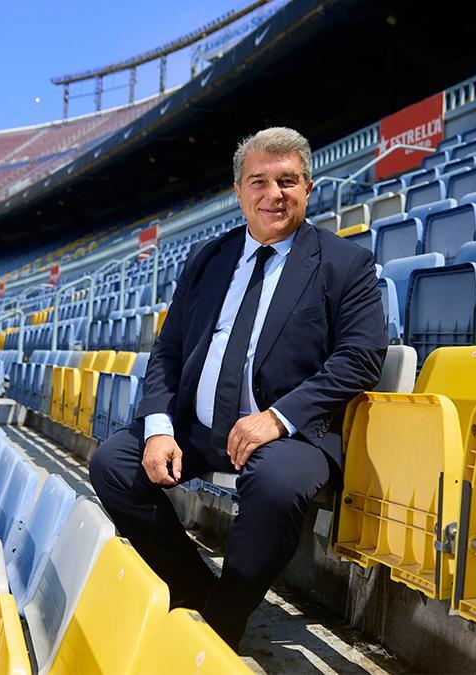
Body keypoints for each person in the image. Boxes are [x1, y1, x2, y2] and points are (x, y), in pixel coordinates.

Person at [88, 126, 387, 649]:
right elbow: (169, 352)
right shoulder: (208, 259)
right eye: (259, 182)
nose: (274, 193)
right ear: (239, 192)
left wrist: (278, 418)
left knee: (275, 486)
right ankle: (194, 586)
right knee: (113, 462)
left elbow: (361, 357)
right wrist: (158, 428)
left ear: (308, 189)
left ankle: (223, 619)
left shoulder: (345, 263)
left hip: (291, 435)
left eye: (287, 180)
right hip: (200, 428)